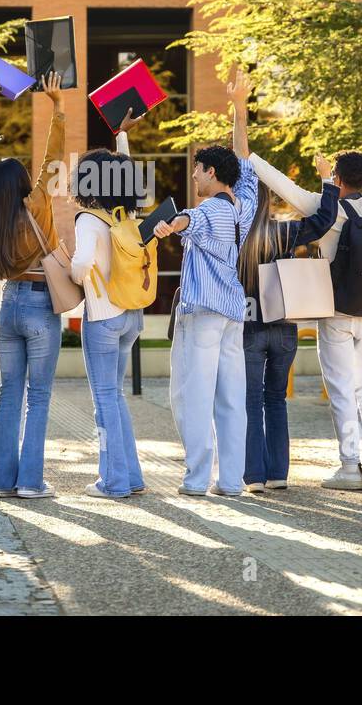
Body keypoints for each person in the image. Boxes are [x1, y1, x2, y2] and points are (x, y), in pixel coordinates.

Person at [250, 119, 362, 489]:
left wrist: (249, 156)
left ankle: (349, 468)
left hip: (337, 312)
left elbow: (281, 184)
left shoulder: (325, 207)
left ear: (336, 178)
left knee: (340, 388)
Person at [226, 76, 340, 492]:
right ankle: (278, 476)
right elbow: (324, 221)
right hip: (286, 327)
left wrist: (239, 110)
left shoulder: (236, 232)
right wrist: (327, 180)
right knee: (276, 400)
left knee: (251, 400)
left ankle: (252, 476)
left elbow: (240, 160)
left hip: (249, 327)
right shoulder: (284, 232)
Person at [151, 82, 259, 497]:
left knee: (189, 397)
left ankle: (197, 479)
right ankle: (230, 481)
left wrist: (169, 224)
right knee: (232, 399)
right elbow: (244, 159)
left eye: (197, 169)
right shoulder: (243, 203)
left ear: (211, 174)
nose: (194, 175)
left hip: (202, 315)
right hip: (232, 312)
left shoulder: (211, 208)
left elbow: (188, 219)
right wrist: (238, 107)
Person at [0, 72, 67, 499]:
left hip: (7, 307)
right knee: (38, 396)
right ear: (24, 185)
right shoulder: (38, 203)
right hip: (41, 305)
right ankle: (30, 482)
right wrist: (58, 109)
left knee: (9, 393)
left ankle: (1, 482)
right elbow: (51, 160)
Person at [70, 109, 147, 498]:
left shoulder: (88, 219)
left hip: (102, 317)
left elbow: (81, 264)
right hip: (132, 315)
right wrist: (121, 139)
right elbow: (127, 170)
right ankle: (131, 477)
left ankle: (113, 481)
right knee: (115, 397)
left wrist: (72, 274)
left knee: (104, 401)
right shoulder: (125, 213)